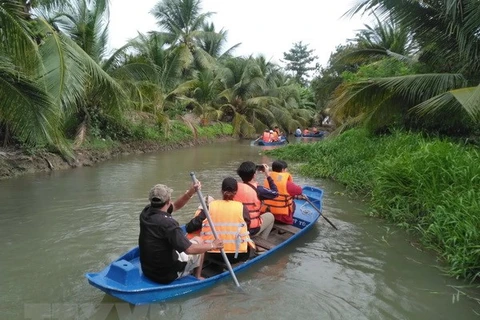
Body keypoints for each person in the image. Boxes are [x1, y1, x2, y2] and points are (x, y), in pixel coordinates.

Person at [139, 183, 223, 284]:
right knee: (200, 241)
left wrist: (191, 192)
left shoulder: (146, 212)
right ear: (168, 201)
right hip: (166, 275)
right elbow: (189, 249)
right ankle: (198, 276)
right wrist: (213, 245)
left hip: (148, 270)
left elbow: (176, 206)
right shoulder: (169, 224)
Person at [186, 177, 254, 263]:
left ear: (221, 191)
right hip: (238, 255)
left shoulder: (210, 206)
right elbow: (247, 228)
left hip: (212, 254)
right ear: (236, 192)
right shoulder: (242, 207)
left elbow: (190, 227)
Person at [234, 161, 277, 240]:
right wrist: (268, 175)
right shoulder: (258, 189)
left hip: (235, 227)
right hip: (251, 229)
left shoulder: (234, 187)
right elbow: (275, 193)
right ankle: (261, 244)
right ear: (254, 175)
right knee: (270, 216)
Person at [262, 160, 303, 225]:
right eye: (286, 169)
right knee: (293, 204)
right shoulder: (287, 184)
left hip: (268, 212)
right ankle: (286, 224)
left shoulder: (267, 179)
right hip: (282, 217)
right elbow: (299, 191)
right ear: (283, 170)